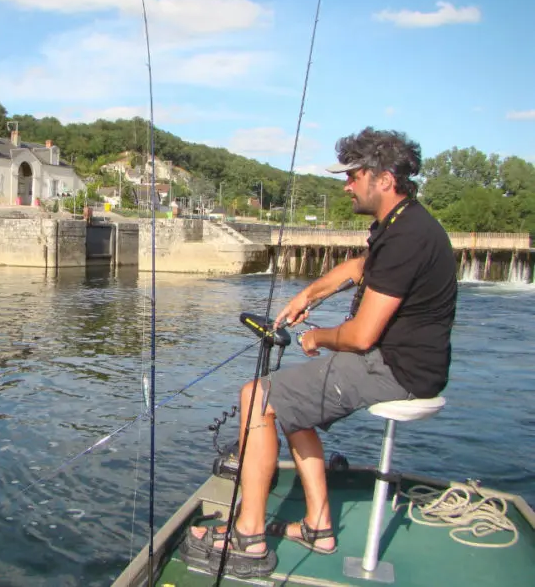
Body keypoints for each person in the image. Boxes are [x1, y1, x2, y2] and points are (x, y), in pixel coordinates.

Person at [181, 127, 458, 578]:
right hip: (398, 361)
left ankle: (248, 538)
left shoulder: (409, 236)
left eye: (354, 176)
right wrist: (306, 296)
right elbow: (356, 268)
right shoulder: (401, 223)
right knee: (289, 402)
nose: (346, 185)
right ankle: (317, 526)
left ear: (384, 179)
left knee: (259, 397)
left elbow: (362, 335)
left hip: (396, 369)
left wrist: (318, 338)